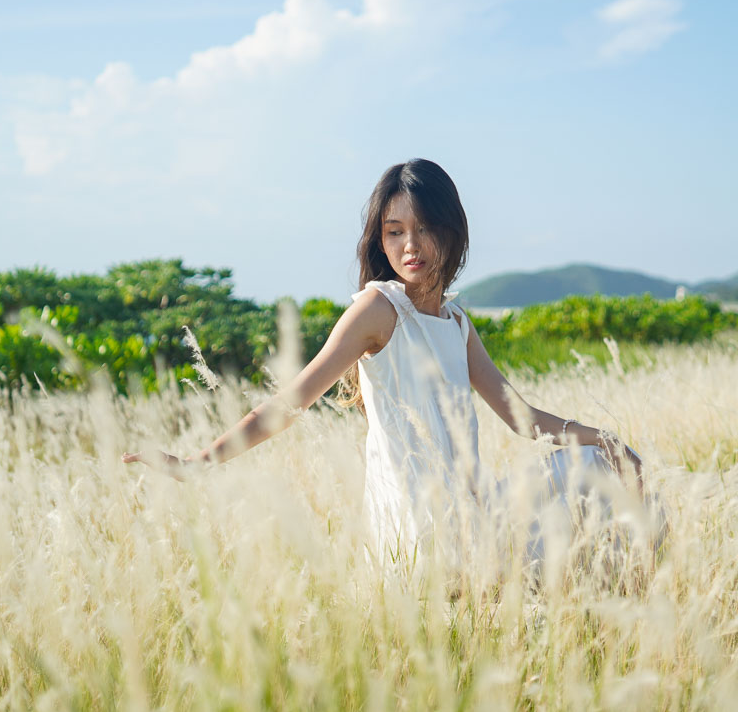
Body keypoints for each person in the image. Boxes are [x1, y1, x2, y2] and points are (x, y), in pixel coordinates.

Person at [124, 158, 666, 579]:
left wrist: (608, 440)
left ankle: (637, 609)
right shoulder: (378, 309)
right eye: (394, 231)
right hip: (418, 534)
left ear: (452, 232)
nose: (410, 246)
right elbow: (290, 402)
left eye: (425, 228)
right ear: (380, 239)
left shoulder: (456, 322)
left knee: (597, 465)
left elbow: (522, 419)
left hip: (473, 517)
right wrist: (199, 461)